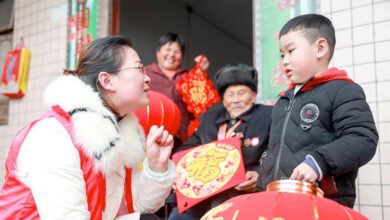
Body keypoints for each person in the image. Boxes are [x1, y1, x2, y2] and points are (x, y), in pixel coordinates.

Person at [0, 36, 176, 219]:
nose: (147, 78)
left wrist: (156, 167)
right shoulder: (53, 136)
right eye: (139, 68)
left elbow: (137, 206)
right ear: (107, 81)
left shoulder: (122, 134)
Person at [256, 14, 378, 208]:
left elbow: (362, 138)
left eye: (290, 51)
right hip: (278, 201)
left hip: (320, 203)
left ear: (320, 48)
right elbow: (274, 152)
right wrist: (260, 181)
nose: (284, 61)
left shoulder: (342, 90)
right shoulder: (283, 100)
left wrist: (318, 163)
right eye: (282, 55)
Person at [169, 64, 273, 219]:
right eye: (230, 95)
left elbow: (277, 152)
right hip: (206, 195)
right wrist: (177, 173)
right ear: (223, 100)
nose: (236, 100)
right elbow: (187, 151)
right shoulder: (209, 120)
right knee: (178, 216)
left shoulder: (268, 116)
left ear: (253, 95)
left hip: (246, 193)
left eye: (242, 93)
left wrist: (260, 175)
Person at [145, 32, 210, 152]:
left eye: (177, 51)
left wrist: (201, 74)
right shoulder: (145, 74)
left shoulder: (189, 75)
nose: (172, 55)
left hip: (184, 138)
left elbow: (202, 103)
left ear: (182, 56)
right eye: (168, 49)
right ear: (158, 52)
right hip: (152, 134)